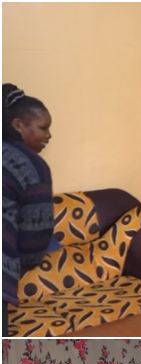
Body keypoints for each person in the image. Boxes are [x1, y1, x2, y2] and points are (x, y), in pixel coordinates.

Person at [2, 84, 55, 337]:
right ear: (18, 125)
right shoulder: (34, 167)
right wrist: (17, 267)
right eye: (43, 127)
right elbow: (35, 239)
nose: (49, 136)